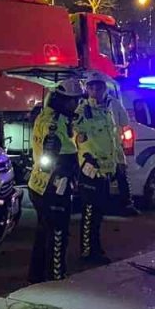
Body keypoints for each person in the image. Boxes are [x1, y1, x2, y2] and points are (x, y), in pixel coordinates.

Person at [27, 79, 82, 283]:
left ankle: (36, 275)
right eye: (74, 101)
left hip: (38, 184)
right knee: (58, 232)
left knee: (43, 232)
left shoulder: (44, 116)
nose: (76, 105)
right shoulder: (56, 124)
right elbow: (65, 156)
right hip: (55, 186)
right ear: (63, 100)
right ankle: (56, 276)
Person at [75, 75, 122, 265]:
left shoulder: (106, 111)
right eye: (92, 88)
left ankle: (95, 247)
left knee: (99, 213)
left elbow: (112, 140)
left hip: (105, 171)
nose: (95, 92)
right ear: (87, 90)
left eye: (99, 88)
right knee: (89, 214)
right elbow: (73, 137)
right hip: (90, 171)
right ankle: (87, 252)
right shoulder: (82, 111)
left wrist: (118, 163)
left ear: (105, 89)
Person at [103, 78, 140, 216]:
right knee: (121, 176)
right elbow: (125, 122)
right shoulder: (115, 103)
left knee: (107, 177)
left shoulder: (85, 105)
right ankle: (126, 204)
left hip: (103, 148)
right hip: (113, 146)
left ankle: (108, 204)